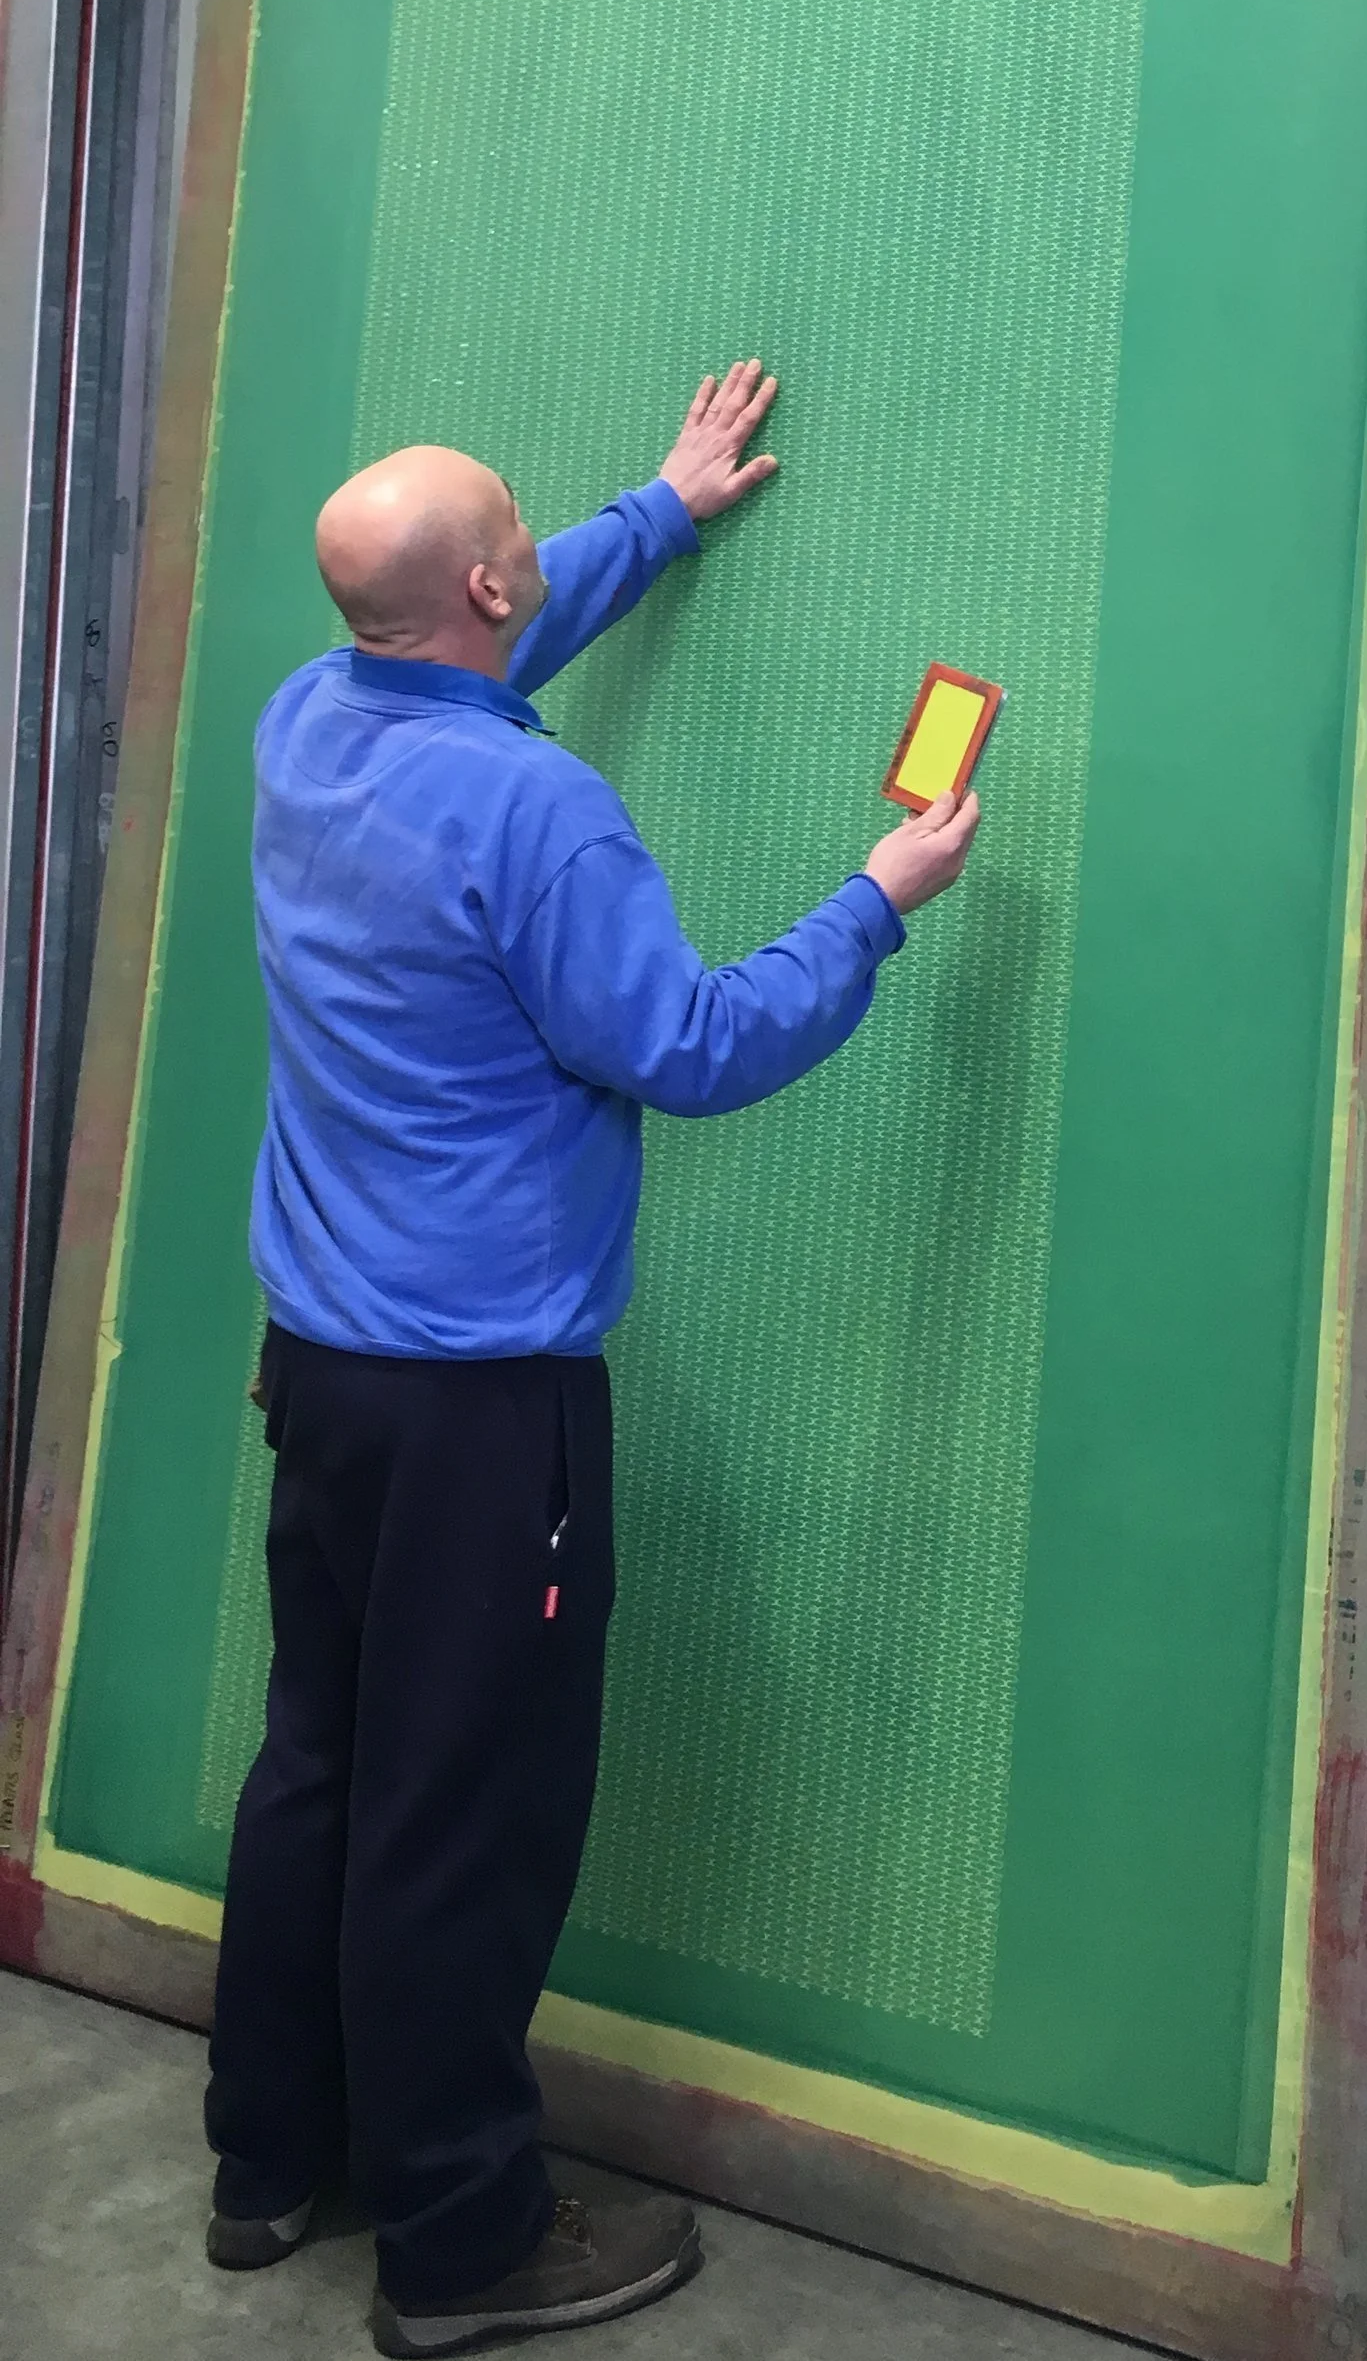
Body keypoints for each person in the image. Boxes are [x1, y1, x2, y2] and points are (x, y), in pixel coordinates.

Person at [202, 361, 981, 2358]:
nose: (527, 546)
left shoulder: (309, 723)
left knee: (320, 1763)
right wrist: (875, 901)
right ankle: (460, 2240)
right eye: (515, 531)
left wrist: (657, 509)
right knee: (458, 1817)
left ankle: (268, 2158)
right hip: (483, 1413)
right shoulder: (541, 814)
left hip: (320, 1375)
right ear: (484, 585)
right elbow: (692, 1045)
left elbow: (468, 657)